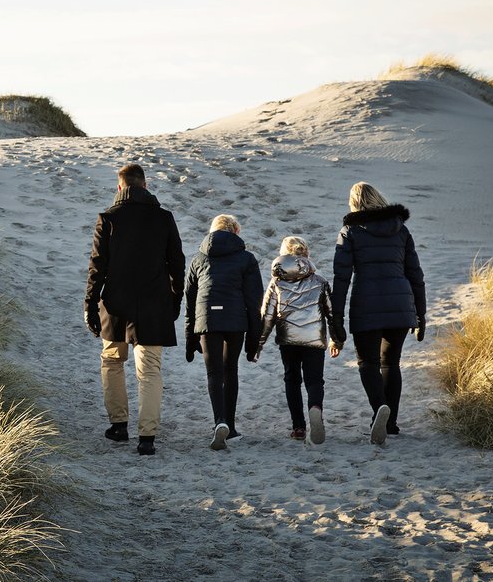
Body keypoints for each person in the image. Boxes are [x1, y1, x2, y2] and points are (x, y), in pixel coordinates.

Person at [85, 163, 187, 457]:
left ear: (120, 187)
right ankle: (147, 436)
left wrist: (89, 304)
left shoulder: (108, 218)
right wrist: (175, 300)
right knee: (150, 370)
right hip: (154, 304)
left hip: (115, 302)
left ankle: (119, 426)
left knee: (113, 361)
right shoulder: (164, 218)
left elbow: (97, 267)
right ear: (145, 184)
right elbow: (177, 264)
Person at [330, 181, 427, 445]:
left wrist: (335, 320)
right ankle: (390, 423)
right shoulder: (401, 230)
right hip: (401, 305)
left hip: (367, 305)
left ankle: (379, 409)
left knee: (367, 363)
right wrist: (421, 314)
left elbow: (342, 279)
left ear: (354, 203)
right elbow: (415, 275)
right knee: (390, 363)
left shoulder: (351, 231)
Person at [184, 214, 263, 451]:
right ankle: (231, 425)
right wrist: (254, 342)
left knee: (213, 373)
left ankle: (219, 421)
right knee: (231, 370)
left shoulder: (198, 258)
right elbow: (254, 301)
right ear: (236, 232)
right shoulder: (246, 259)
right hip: (236, 320)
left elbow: (189, 300)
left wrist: (190, 336)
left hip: (207, 320)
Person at [253, 236, 339, 445]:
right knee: (315, 380)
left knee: (292, 380)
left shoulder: (277, 282)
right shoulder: (320, 281)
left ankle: (298, 427)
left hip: (288, 340)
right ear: (306, 254)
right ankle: (315, 409)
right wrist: (336, 339)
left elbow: (268, 316)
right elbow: (331, 313)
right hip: (314, 340)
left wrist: (258, 345)